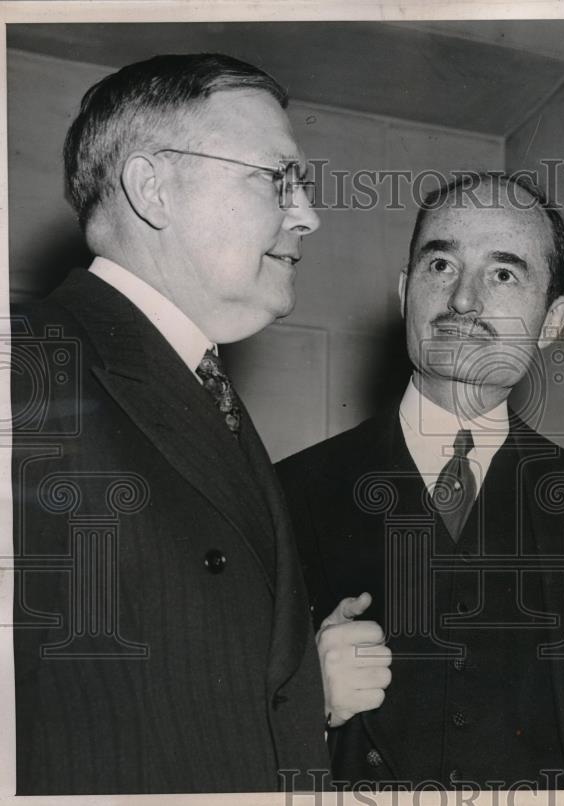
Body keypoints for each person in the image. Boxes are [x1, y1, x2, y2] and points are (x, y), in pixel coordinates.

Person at [12, 53, 328, 794]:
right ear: (153, 187)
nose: (309, 213)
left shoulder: (195, 382)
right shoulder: (28, 367)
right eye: (275, 177)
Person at [277, 173, 564, 789]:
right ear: (405, 293)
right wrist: (304, 702)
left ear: (553, 320)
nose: (462, 300)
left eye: (504, 273)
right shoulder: (286, 494)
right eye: (441, 264)